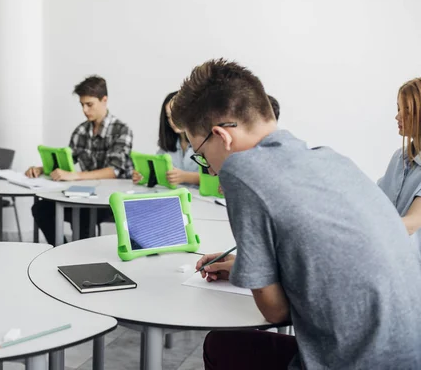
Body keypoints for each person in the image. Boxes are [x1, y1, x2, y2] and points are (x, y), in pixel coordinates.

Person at [169, 59, 421, 369]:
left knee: (219, 344)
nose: (210, 168)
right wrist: (245, 267)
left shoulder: (241, 170)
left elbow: (275, 313)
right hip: (409, 354)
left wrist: (256, 276)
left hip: (355, 362)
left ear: (222, 137)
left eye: (203, 155)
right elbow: (325, 266)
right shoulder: (330, 159)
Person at [27, 76, 133, 244]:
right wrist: (40, 169)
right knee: (41, 209)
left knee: (84, 213)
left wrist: (75, 176)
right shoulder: (81, 130)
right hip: (85, 195)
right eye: (82, 105)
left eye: (89, 104)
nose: (85, 110)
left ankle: (80, 258)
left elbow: (113, 172)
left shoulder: (122, 130)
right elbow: (67, 161)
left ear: (104, 100)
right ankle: (59, 250)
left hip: (111, 200)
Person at [378, 77, 421, 251]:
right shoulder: (399, 158)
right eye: (398, 108)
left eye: (407, 110)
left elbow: (413, 222)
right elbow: (376, 201)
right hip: (391, 260)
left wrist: (366, 229)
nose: (398, 116)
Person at [132, 91, 200, 187]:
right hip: (174, 197)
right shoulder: (168, 145)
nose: (172, 121)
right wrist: (143, 176)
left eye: (176, 115)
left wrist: (185, 177)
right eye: (168, 116)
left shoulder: (205, 142)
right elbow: (157, 172)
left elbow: (216, 178)